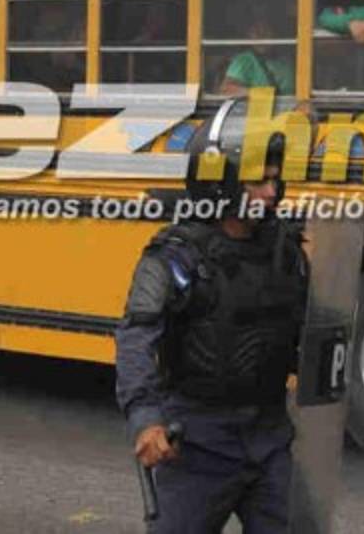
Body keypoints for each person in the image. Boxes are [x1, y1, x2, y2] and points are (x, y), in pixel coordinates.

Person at [115, 103, 307, 532]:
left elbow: (305, 335)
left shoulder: (287, 254)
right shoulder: (175, 258)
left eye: (275, 180)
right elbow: (136, 338)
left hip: (271, 439)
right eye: (259, 181)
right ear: (222, 181)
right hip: (198, 445)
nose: (272, 193)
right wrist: (145, 419)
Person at [220, 20, 295, 96]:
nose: (261, 35)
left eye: (266, 30)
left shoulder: (287, 61)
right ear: (248, 36)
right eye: (255, 31)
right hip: (260, 107)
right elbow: (226, 90)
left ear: (275, 33)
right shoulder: (244, 60)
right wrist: (259, 94)